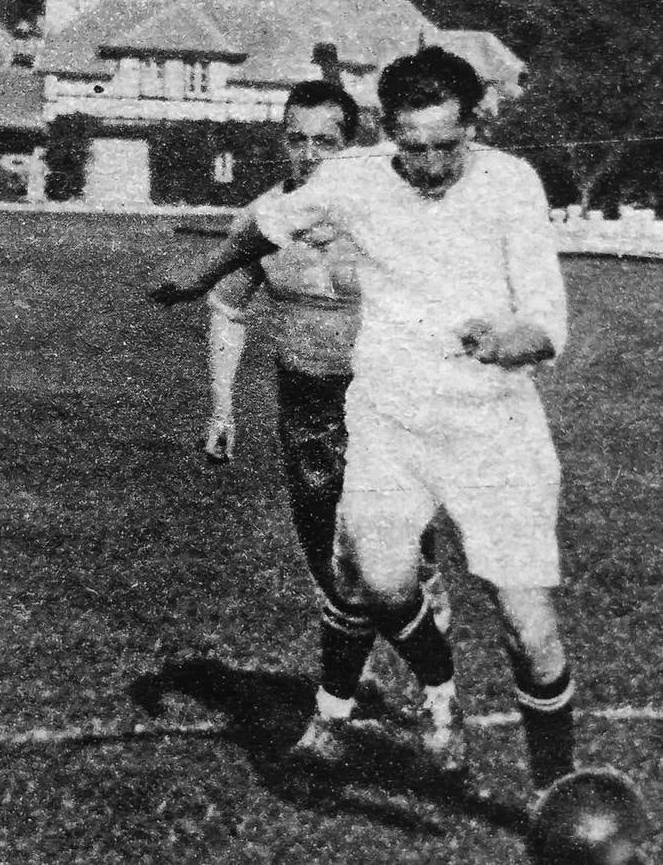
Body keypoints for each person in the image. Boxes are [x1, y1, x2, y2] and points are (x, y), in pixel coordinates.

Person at [245, 46, 576, 790]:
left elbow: (547, 319)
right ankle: (439, 686)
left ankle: (555, 791)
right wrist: (199, 280)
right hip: (390, 422)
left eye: (443, 145)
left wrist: (505, 341)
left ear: (474, 125)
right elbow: (267, 220)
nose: (426, 163)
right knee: (372, 573)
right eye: (410, 146)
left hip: (494, 428)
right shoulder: (355, 176)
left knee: (530, 633)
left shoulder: (509, 184)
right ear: (387, 132)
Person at [158, 81, 449, 748]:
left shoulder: (385, 212)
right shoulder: (263, 216)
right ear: (280, 140)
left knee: (399, 559)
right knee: (328, 559)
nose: (309, 154)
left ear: (352, 146)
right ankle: (363, 687)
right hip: (306, 404)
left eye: (326, 140)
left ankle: (423, 705)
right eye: (297, 138)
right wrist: (221, 408)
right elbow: (228, 309)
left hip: (382, 401)